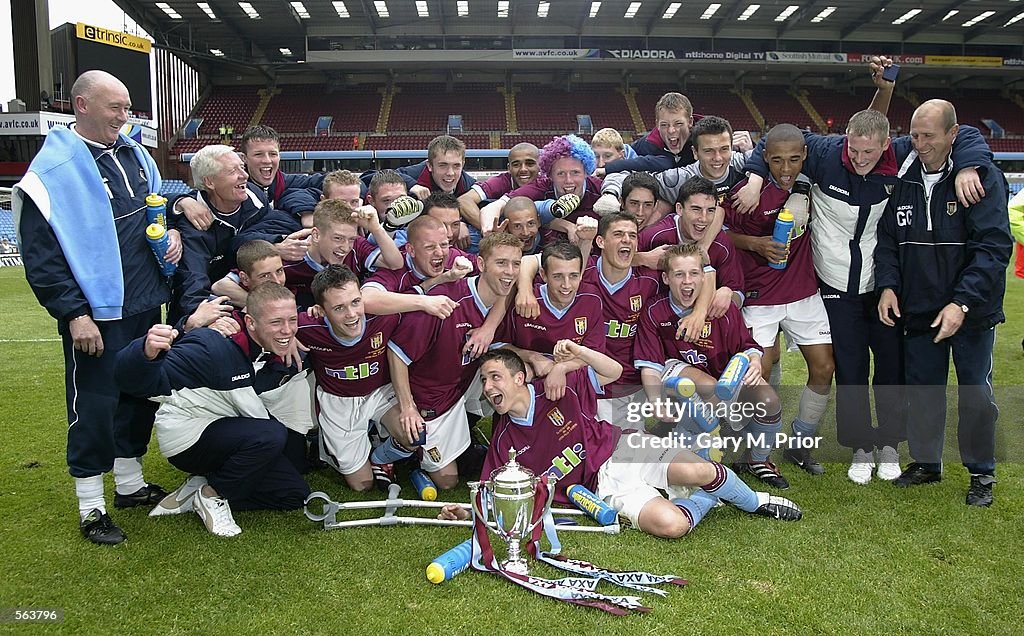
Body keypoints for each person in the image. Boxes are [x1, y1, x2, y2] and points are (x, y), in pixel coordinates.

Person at [735, 62, 991, 484]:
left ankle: (889, 444)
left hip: (886, 287)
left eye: (869, 152)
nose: (859, 159)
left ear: (888, 144)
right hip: (834, 286)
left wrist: (967, 166)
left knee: (891, 369)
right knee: (850, 370)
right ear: (844, 142)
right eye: (853, 151)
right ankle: (859, 446)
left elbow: (963, 135)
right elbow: (776, 138)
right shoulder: (825, 150)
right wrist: (755, 175)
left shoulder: (906, 154)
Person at [12, 70, 179, 545]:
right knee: (96, 404)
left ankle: (129, 485)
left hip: (145, 301)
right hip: (96, 314)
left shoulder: (135, 153)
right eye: (115, 107)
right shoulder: (54, 171)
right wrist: (73, 312)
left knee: (139, 396)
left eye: (127, 108)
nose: (124, 117)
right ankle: (91, 506)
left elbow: (154, 210)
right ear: (82, 105)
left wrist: (173, 232)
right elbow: (43, 255)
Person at [439, 346, 801, 538]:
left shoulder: (556, 387)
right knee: (672, 526)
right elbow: (493, 493)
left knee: (699, 468)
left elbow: (611, 371)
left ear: (519, 378)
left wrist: (576, 356)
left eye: (495, 377)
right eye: (484, 381)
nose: (488, 388)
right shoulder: (503, 440)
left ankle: (756, 502)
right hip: (600, 489)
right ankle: (706, 499)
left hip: (620, 449)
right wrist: (469, 511)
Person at [875, 99, 1011, 507]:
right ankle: (927, 462)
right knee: (923, 391)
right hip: (918, 307)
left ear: (953, 135)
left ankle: (981, 472)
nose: (920, 144)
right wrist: (887, 285)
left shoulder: (979, 177)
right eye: (914, 136)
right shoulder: (902, 174)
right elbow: (887, 242)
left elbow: (994, 246)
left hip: (971, 311)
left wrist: (962, 304)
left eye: (929, 136)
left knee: (975, 394)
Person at [115, 284, 313, 537]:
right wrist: (144, 352)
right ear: (250, 322)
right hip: (188, 439)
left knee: (295, 494)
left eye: (291, 320)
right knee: (270, 435)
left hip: (233, 430)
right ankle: (213, 495)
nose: (287, 330)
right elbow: (134, 382)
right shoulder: (211, 345)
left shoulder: (273, 346)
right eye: (276, 322)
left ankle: (201, 488)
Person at [724, 124, 835, 476]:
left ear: (804, 156)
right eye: (776, 161)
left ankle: (800, 442)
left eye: (793, 160)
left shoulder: (812, 184)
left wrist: (802, 189)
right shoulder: (747, 193)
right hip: (760, 295)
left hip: (804, 291)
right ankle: (752, 451)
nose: (786, 169)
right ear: (764, 159)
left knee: (824, 367)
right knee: (759, 370)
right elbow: (724, 234)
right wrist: (756, 244)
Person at [634, 243, 789, 489]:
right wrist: (655, 401)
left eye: (694, 273)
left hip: (722, 383)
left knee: (768, 400)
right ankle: (683, 438)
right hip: (676, 379)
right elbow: (651, 365)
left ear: (703, 276)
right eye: (679, 274)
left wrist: (755, 361)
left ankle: (756, 459)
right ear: (665, 278)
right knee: (707, 385)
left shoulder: (721, 309)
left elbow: (747, 346)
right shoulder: (655, 311)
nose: (687, 282)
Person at [375, 233, 523, 489]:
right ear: (481, 264)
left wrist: (533, 358)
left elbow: (507, 299)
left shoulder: (501, 301)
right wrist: (408, 407)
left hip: (457, 390)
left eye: (515, 264)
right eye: (501, 263)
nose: (510, 271)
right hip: (424, 398)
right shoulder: (444, 304)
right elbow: (396, 353)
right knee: (446, 480)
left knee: (515, 374)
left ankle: (492, 442)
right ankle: (383, 453)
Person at [297, 265, 401, 491]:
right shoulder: (305, 326)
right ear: (321, 310)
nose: (352, 314)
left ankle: (380, 457)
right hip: (339, 400)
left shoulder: (385, 316)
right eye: (339, 308)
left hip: (381, 392)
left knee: (413, 437)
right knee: (361, 485)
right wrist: (284, 341)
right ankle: (335, 445)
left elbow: (401, 273)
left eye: (355, 302)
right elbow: (268, 324)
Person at [171, 144, 301, 321]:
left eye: (242, 167)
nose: (245, 175)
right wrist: (202, 317)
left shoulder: (255, 198)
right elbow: (193, 279)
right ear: (210, 182)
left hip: (252, 299)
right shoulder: (193, 222)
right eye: (233, 171)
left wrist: (275, 242)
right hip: (216, 304)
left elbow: (277, 220)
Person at [502, 241, 606, 401]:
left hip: (571, 379)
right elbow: (498, 345)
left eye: (573, 276)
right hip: (529, 376)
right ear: (543, 275)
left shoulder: (591, 299)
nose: (566, 285)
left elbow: (594, 353)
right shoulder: (524, 302)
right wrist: (532, 357)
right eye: (558, 276)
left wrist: (561, 368)